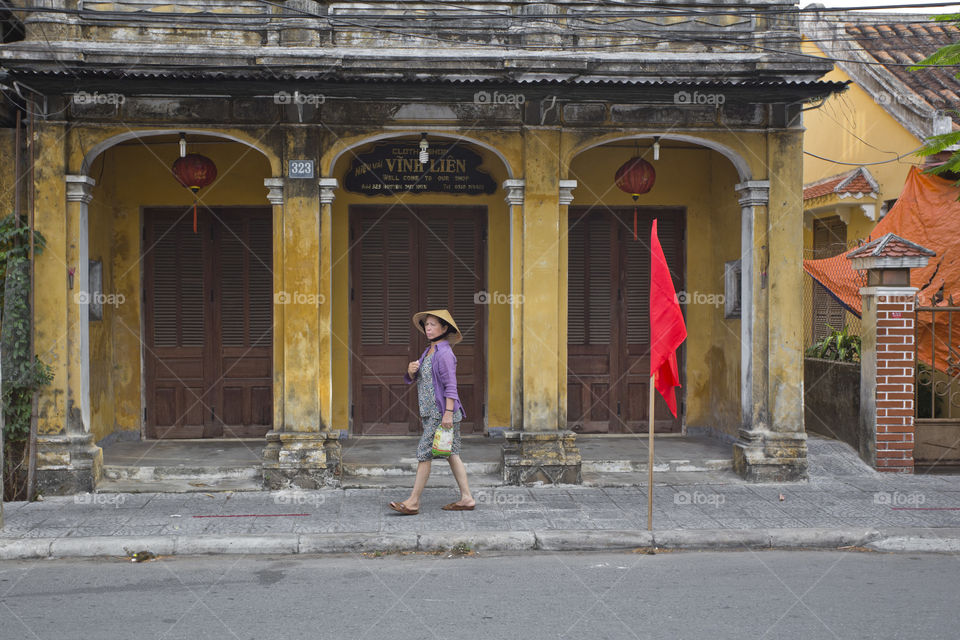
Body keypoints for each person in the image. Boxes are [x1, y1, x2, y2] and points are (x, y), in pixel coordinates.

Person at [389, 309, 476, 515]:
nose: (428, 328)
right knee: (452, 454)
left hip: (440, 413)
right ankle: (467, 498)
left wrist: (447, 413)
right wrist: (411, 372)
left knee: (424, 454)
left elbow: (451, 386)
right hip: (433, 413)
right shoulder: (429, 351)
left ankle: (413, 502)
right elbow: (423, 380)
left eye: (433, 324)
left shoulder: (445, 353)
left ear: (444, 328)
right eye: (426, 325)